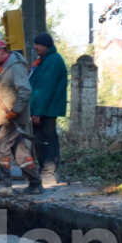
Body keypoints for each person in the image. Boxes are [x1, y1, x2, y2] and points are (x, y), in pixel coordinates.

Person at [0, 39, 43, 195]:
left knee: (1, 146)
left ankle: (5, 185)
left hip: (13, 117)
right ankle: (35, 184)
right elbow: (2, 84)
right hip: (11, 115)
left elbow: (25, 91)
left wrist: (16, 111)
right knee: (20, 152)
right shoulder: (6, 67)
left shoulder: (16, 67)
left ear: (1, 50)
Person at [28, 32, 68, 187]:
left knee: (48, 141)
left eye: (38, 44)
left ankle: (49, 176)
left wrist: (37, 112)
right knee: (42, 141)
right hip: (44, 109)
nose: (35, 47)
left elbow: (44, 89)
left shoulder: (52, 61)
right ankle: (45, 173)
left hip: (46, 110)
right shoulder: (45, 60)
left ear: (46, 45)